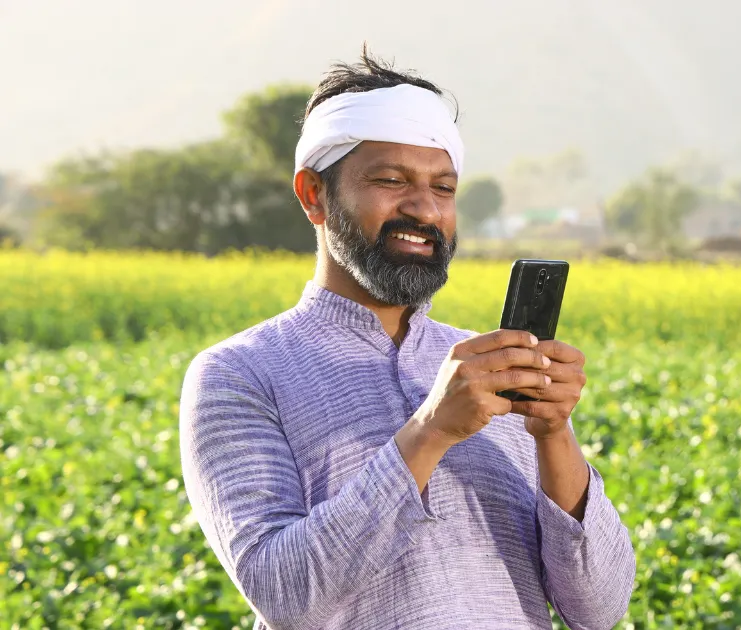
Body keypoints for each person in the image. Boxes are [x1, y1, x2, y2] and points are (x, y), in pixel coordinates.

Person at [178, 48, 636, 630]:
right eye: (391, 181)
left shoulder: (490, 367)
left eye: (443, 189)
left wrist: (552, 433)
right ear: (314, 194)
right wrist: (431, 432)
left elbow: (599, 609)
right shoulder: (240, 374)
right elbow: (287, 596)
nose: (423, 209)